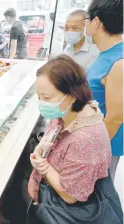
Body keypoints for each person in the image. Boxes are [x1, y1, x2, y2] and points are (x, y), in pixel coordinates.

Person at [27, 55, 117, 223]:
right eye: (39, 97)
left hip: (65, 212)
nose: (42, 103)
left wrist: (44, 166)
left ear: (72, 95)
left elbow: (70, 195)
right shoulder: (67, 113)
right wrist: (42, 149)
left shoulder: (86, 140)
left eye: (47, 98)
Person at [85, 0, 123, 180]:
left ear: (96, 22)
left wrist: (90, 152)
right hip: (92, 140)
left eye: (87, 19)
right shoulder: (106, 54)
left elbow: (116, 117)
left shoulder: (118, 63)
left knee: (95, 201)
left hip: (102, 148)